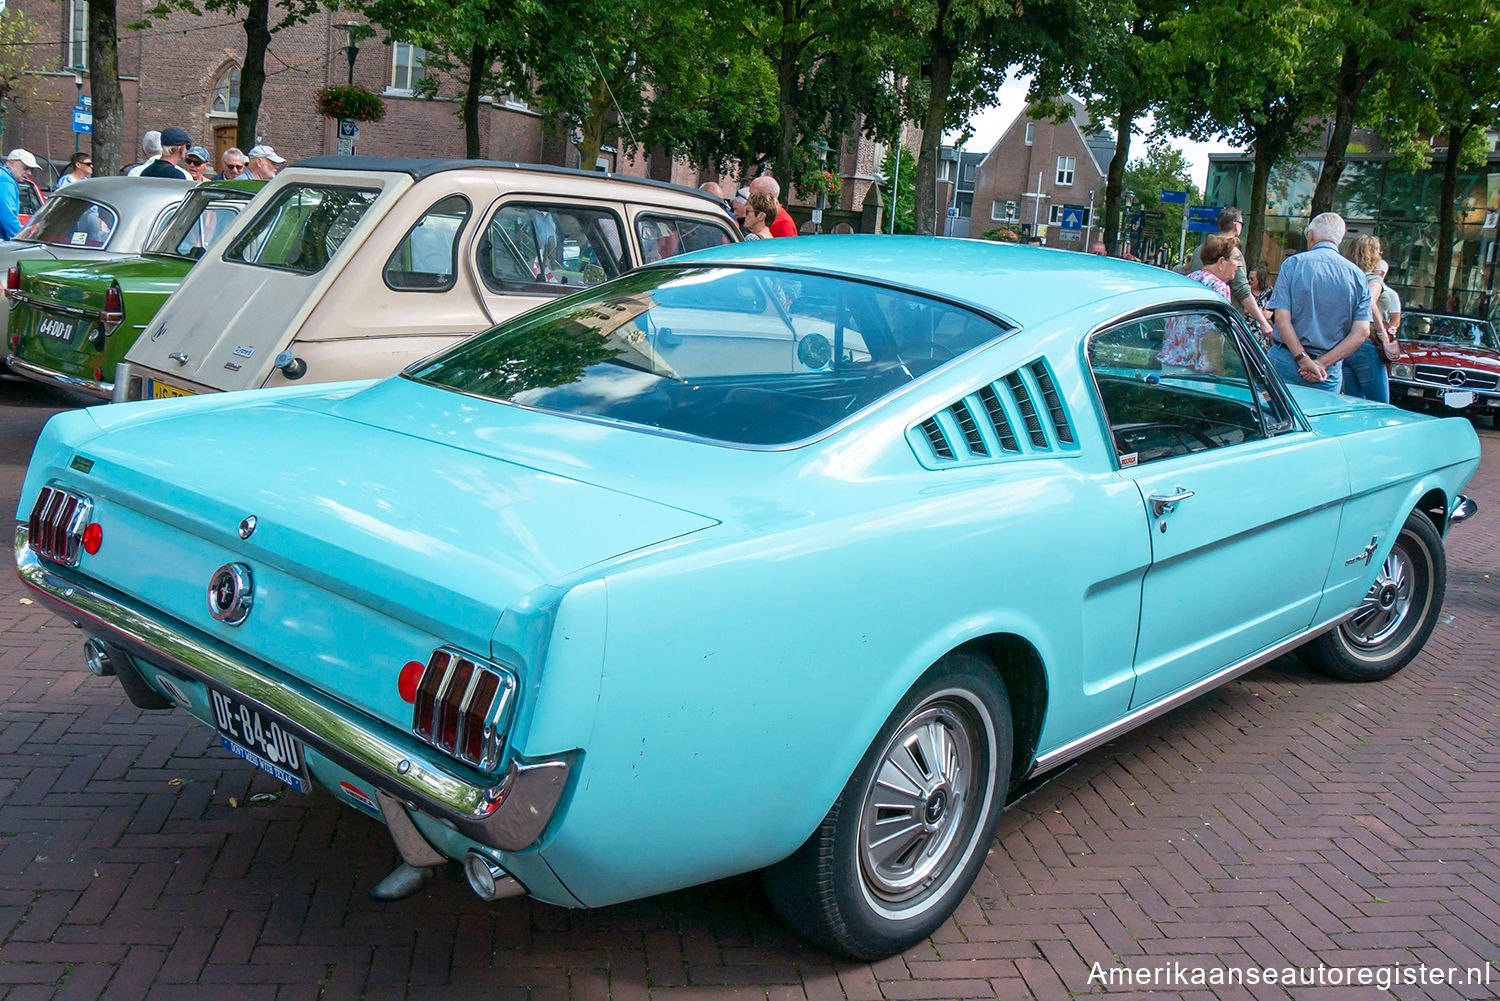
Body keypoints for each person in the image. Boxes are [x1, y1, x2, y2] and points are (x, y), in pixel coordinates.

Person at [1265, 212, 1371, 392]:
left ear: (1311, 235)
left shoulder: (1293, 264)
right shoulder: (1358, 277)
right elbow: (1362, 332)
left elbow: (1282, 319)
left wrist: (1302, 359)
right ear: (1339, 240)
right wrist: (1321, 363)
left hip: (1286, 361)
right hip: (1327, 371)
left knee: (1273, 418)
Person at [1189, 208, 1273, 340]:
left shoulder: (1200, 249)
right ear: (1236, 225)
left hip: (1192, 323)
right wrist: (1263, 322)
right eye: (1242, 224)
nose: (1238, 264)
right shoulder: (1231, 253)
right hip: (1222, 327)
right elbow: (1242, 290)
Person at [1158, 234, 1237, 375]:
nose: (1239, 265)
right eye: (1236, 259)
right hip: (1197, 372)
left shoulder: (1189, 280)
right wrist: (1219, 369)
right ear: (1221, 262)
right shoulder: (1219, 288)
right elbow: (1211, 334)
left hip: (1169, 365)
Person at [1341, 235, 1400, 403]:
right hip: (1366, 343)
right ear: (1372, 254)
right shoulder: (1373, 279)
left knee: (1353, 401)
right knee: (1379, 403)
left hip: (1344, 343)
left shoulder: (1346, 276)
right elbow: (1370, 302)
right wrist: (1382, 332)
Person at [0, 149, 39, 240]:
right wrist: (22, 238)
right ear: (11, 163)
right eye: (25, 168)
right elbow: (8, 216)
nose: (29, 173)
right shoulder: (6, 181)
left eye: (31, 170)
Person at [1376, 259, 1402, 337]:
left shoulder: (1391, 294)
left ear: (1381, 273)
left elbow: (1395, 319)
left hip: (1377, 336)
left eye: (1373, 270)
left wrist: (1389, 332)